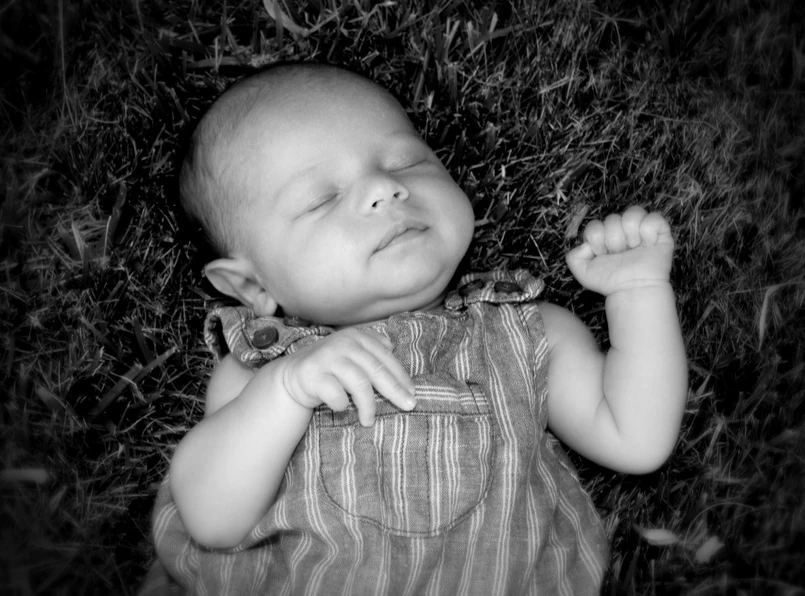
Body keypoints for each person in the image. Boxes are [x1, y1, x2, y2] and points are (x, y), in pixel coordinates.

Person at [140, 62, 688, 596]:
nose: (384, 188)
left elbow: (636, 439)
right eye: (321, 199)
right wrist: (287, 389)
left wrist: (637, 292)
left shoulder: (524, 331)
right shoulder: (262, 369)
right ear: (252, 286)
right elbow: (213, 519)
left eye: (406, 162)